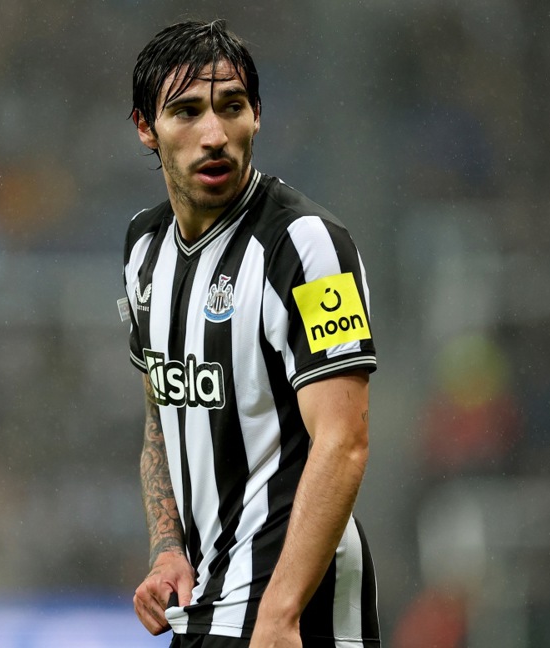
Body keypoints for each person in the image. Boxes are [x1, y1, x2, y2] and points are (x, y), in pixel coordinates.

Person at [122, 20, 381, 647]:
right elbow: (163, 407)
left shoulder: (309, 246)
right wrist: (167, 548)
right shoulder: (142, 248)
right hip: (205, 599)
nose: (214, 135)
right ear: (146, 128)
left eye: (232, 107)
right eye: (187, 112)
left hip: (293, 606)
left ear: (257, 115)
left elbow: (344, 439)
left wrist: (281, 613)